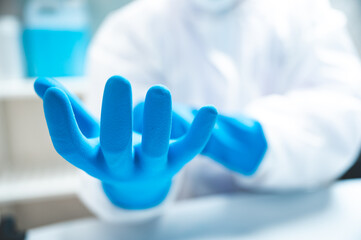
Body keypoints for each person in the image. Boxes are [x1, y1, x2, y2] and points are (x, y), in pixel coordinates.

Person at [35, 0, 361, 222]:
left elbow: (344, 112)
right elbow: (118, 138)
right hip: (178, 226)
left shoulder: (308, 13)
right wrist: (134, 188)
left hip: (300, 216)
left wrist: (240, 138)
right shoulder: (128, 30)